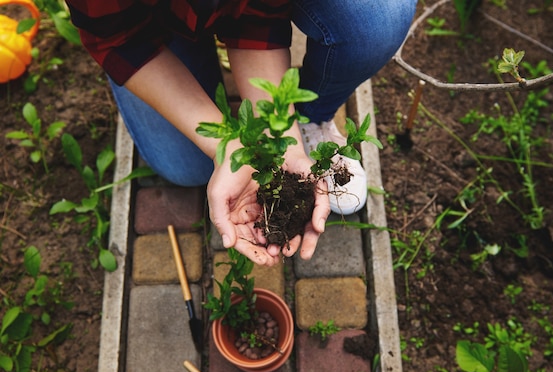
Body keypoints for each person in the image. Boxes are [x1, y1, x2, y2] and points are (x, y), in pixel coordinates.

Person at [65, 0, 417, 266]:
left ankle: (308, 121)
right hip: (145, 24)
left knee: (377, 17)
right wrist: (225, 148)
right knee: (186, 167)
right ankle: (183, 45)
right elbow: (121, 41)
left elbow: (258, 14)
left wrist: (281, 138)